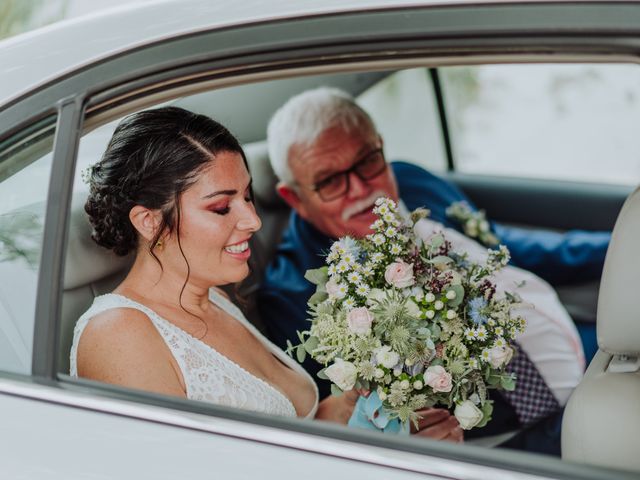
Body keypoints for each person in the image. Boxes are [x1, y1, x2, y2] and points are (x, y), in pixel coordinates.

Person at [69, 106, 463, 442]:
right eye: (222, 208)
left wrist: (353, 405)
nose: (253, 221)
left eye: (247, 196)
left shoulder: (217, 299)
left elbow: (296, 430)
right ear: (149, 221)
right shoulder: (117, 335)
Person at [258, 87, 611, 454]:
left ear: (380, 145)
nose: (361, 189)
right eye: (330, 181)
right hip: (507, 436)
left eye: (367, 161)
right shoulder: (295, 295)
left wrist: (619, 247)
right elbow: (349, 418)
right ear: (295, 198)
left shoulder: (410, 180)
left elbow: (495, 244)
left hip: (576, 343)